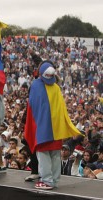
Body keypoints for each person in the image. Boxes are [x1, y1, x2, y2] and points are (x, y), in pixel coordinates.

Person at [24, 61, 81, 190]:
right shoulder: (56, 87)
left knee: (43, 154)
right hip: (56, 128)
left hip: (42, 128)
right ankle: (54, 180)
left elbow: (32, 108)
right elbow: (61, 110)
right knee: (55, 155)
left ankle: (47, 181)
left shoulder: (36, 85)